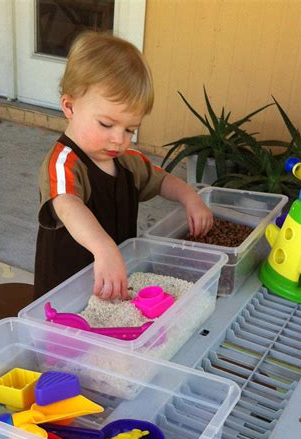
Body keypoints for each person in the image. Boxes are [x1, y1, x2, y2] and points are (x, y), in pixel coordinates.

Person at [34, 31, 214, 300]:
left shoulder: (126, 160)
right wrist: (103, 247)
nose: (119, 139)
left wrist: (191, 197)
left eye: (130, 129)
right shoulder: (64, 162)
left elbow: (162, 179)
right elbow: (67, 205)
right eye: (106, 124)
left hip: (115, 274)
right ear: (70, 107)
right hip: (65, 284)